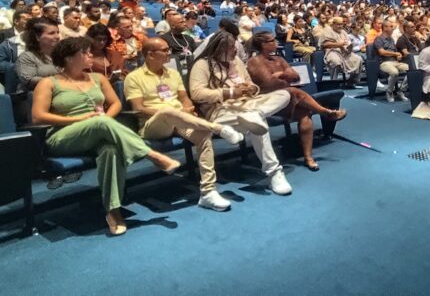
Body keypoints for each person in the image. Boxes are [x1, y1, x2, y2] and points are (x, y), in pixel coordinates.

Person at [31, 37, 182, 235]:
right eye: (85, 53)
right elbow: (38, 116)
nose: (91, 55)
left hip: (99, 131)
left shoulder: (98, 78)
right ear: (68, 58)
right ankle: (152, 155)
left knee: (110, 150)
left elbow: (115, 104)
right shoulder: (49, 83)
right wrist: (82, 119)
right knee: (100, 122)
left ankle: (113, 211)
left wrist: (106, 121)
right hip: (63, 136)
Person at [124, 37, 245, 211]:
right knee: (167, 111)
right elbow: (139, 108)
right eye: (164, 50)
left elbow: (185, 99)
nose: (169, 53)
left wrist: (187, 110)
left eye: (168, 49)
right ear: (150, 55)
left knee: (203, 135)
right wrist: (178, 112)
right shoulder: (134, 77)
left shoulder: (173, 74)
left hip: (180, 121)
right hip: (153, 125)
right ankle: (219, 128)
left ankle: (208, 192)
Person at [189, 31, 293, 195]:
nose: (236, 50)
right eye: (231, 48)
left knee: (284, 95)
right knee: (258, 125)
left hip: (248, 104)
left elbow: (251, 84)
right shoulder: (202, 65)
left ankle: (256, 113)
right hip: (221, 110)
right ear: (219, 48)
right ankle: (274, 173)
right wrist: (230, 93)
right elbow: (197, 93)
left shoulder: (236, 61)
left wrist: (251, 88)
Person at [246, 32, 348, 171]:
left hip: (287, 100)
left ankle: (308, 158)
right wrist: (285, 75)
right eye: (272, 41)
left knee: (304, 115)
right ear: (263, 45)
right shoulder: (254, 61)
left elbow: (296, 77)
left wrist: (281, 74)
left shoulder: (279, 59)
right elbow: (269, 83)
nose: (276, 42)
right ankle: (326, 112)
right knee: (292, 91)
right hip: (268, 102)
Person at [17, 18, 61, 92]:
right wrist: (60, 81)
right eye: (51, 33)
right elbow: (29, 80)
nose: (57, 36)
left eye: (57, 32)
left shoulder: (62, 54)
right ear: (37, 37)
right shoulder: (27, 57)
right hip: (35, 93)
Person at [371, 20, 409, 103]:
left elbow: (395, 53)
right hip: (384, 63)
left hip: (395, 62)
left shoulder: (391, 39)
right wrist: (395, 53)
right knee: (394, 72)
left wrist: (398, 56)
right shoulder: (379, 39)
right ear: (385, 28)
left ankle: (401, 90)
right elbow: (382, 52)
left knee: (412, 69)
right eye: (391, 26)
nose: (393, 28)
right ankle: (389, 92)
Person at [318, 17, 362, 87]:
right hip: (332, 51)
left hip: (344, 52)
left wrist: (350, 46)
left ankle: (351, 82)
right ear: (333, 24)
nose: (340, 26)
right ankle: (333, 83)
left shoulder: (343, 32)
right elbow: (325, 44)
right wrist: (339, 44)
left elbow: (347, 43)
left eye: (341, 24)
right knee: (336, 62)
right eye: (338, 24)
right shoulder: (327, 31)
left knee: (358, 59)